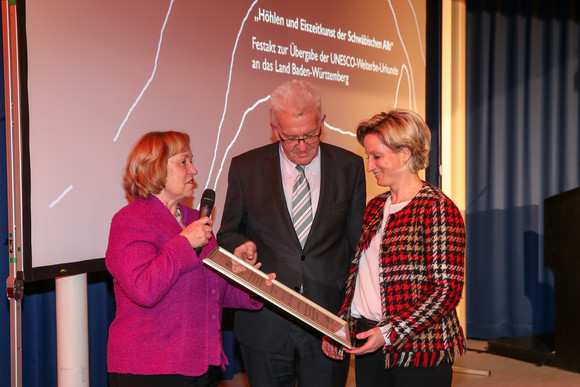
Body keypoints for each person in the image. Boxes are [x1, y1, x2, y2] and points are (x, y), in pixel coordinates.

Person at [217, 79, 366, 387]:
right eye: (290, 138)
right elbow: (227, 233)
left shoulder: (348, 166)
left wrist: (348, 318)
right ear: (275, 129)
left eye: (310, 135)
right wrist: (241, 245)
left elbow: (356, 247)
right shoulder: (246, 167)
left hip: (327, 319)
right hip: (265, 322)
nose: (301, 145)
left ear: (322, 122)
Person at [106, 131, 274, 387]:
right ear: (155, 168)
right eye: (183, 161)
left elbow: (215, 290)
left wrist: (248, 280)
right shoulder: (130, 220)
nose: (193, 170)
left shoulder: (195, 219)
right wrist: (185, 243)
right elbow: (144, 289)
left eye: (191, 161)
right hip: (151, 371)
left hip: (201, 365)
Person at [322, 109, 466, 387]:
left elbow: (446, 291)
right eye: (368, 157)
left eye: (377, 156)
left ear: (406, 153)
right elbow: (361, 279)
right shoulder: (375, 207)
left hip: (420, 349)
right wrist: (340, 329)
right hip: (368, 339)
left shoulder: (437, 208)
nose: (370, 165)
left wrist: (389, 332)